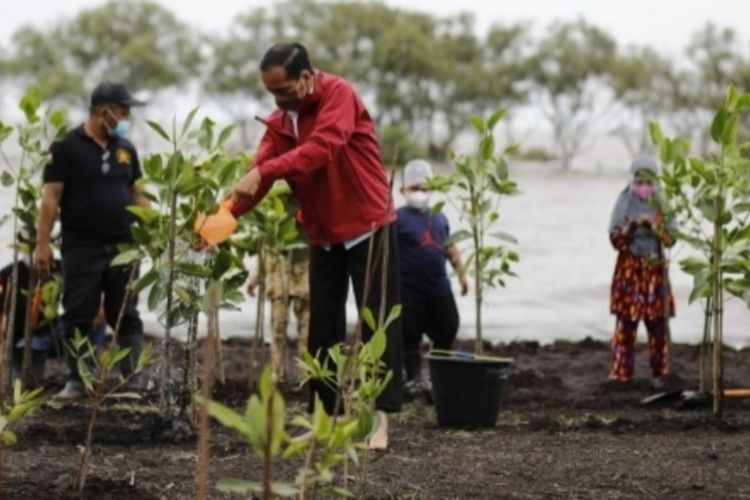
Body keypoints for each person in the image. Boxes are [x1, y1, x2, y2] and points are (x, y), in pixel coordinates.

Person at [228, 42, 402, 448]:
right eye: (272, 93)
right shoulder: (279, 121)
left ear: (306, 77)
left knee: (377, 323)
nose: (280, 100)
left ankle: (377, 423)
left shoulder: (339, 94)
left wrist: (265, 169)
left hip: (368, 224)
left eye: (285, 90)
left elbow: (324, 148)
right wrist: (218, 222)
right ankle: (328, 420)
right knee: (322, 330)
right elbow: (257, 181)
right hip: (324, 233)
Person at [34, 82, 150, 399]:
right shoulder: (65, 148)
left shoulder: (126, 149)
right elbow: (50, 199)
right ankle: (77, 380)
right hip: (81, 247)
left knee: (124, 312)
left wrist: (154, 233)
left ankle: (133, 381)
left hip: (124, 247)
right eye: (123, 113)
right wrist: (42, 244)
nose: (126, 120)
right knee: (78, 313)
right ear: (105, 112)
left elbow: (137, 194)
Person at [396, 160, 468, 400]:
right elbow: (383, 254)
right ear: (402, 191)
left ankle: (439, 375)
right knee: (410, 336)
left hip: (438, 288)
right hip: (409, 291)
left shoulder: (439, 217)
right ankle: (414, 380)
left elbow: (450, 246)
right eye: (414, 188)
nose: (420, 193)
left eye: (425, 189)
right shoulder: (396, 219)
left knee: (448, 327)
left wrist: (462, 275)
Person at [608, 155, 677, 388]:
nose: (643, 185)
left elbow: (671, 239)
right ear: (633, 179)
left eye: (648, 180)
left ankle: (660, 373)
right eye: (639, 180)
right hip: (629, 269)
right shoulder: (623, 201)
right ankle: (621, 374)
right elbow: (615, 239)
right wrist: (632, 227)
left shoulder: (662, 202)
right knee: (625, 323)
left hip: (654, 268)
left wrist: (656, 228)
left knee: (657, 323)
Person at [246, 189, 310, 385]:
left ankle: (306, 376)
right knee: (278, 329)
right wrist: (255, 276)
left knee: (307, 331)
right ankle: (277, 375)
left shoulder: (309, 204)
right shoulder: (270, 210)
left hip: (305, 273)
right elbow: (265, 246)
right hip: (278, 274)